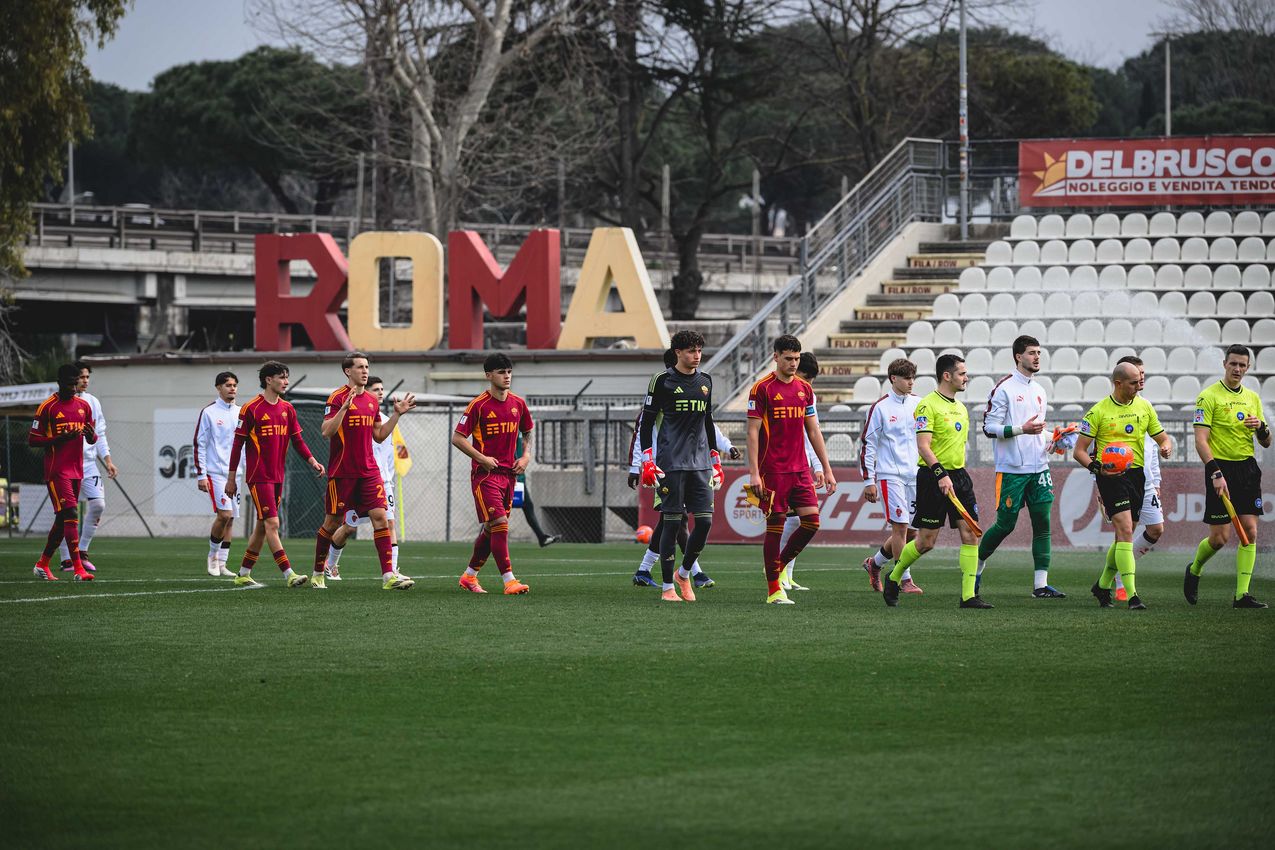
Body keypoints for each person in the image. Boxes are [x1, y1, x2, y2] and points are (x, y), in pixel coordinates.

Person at [884, 353, 990, 609]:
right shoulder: (927, 405)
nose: (967, 378)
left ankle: (968, 596)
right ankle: (894, 576)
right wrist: (941, 474)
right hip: (933, 477)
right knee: (926, 542)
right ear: (947, 376)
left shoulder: (962, 408)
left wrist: (954, 475)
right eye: (962, 373)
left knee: (971, 534)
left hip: (959, 477)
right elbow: (923, 446)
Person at [628, 347, 737, 589]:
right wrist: (638, 466)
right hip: (664, 467)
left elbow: (707, 424)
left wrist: (724, 450)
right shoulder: (660, 394)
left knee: (674, 521)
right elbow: (642, 433)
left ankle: (648, 570)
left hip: (695, 465)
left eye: (699, 352)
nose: (696, 358)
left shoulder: (701, 385)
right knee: (675, 521)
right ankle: (691, 573)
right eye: (691, 353)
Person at [1072, 362, 1172, 610]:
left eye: (1140, 381)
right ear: (1118, 383)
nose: (1139, 386)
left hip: (1138, 476)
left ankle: (1102, 584)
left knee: (1122, 538)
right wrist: (1098, 469)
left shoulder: (1144, 406)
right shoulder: (1098, 412)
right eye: (1133, 383)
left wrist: (1166, 446)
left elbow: (1162, 436)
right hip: (1111, 477)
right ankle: (1132, 595)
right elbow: (1079, 451)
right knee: (1126, 530)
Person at [313, 356, 416, 590]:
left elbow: (379, 435)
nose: (365, 371)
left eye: (367, 367)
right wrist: (343, 410)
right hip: (343, 471)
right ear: (347, 371)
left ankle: (388, 575)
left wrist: (397, 414)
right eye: (360, 367)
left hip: (369, 471)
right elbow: (326, 431)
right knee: (333, 523)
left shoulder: (371, 400)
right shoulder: (337, 398)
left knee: (381, 518)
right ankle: (319, 572)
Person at [974, 335, 1065, 598]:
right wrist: (1021, 429)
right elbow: (989, 428)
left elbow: (1037, 432)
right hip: (1012, 470)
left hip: (1039, 468)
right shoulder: (1003, 389)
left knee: (1043, 524)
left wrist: (1055, 440)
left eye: (1039, 353)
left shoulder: (1039, 390)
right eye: (1031, 353)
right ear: (1018, 356)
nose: (1037, 357)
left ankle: (1040, 585)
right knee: (1005, 525)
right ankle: (976, 567)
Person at [747, 336, 836, 605]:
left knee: (812, 522)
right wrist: (753, 474)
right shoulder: (761, 389)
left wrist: (826, 468)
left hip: (799, 470)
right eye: (788, 358)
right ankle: (774, 589)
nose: (793, 363)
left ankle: (778, 565)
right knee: (775, 527)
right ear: (776, 357)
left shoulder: (804, 390)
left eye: (797, 358)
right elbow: (752, 432)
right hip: (771, 471)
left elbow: (813, 429)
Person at [225, 361, 325, 589]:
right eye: (282, 377)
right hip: (259, 476)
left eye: (287, 377)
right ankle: (288, 573)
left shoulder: (287, 409)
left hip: (278, 476)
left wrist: (313, 461)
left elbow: (298, 441)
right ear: (268, 380)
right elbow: (237, 445)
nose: (286, 382)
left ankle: (243, 573)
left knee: (262, 526)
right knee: (272, 523)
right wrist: (232, 478)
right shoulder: (251, 408)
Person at [1184, 344, 1270, 608]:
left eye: (1242, 365)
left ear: (1248, 368)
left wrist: (1262, 427)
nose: (1237, 369)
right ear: (1224, 364)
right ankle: (1195, 568)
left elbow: (1266, 442)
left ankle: (1241, 595)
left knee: (1250, 532)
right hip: (1220, 469)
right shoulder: (1208, 396)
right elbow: (1200, 440)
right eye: (1233, 364)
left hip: (1247, 468)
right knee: (1220, 538)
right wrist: (1215, 472)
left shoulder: (1253, 398)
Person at [451, 353, 534, 595]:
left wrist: (526, 456)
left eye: (509, 371)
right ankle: (509, 580)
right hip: (485, 476)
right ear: (489, 375)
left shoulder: (518, 404)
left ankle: (469, 576)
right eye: (501, 372)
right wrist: (481, 458)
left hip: (509, 475)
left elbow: (528, 430)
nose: (506, 376)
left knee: (491, 529)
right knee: (500, 523)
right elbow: (457, 438)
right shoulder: (479, 405)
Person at [859, 357, 922, 595]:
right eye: (906, 378)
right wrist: (869, 480)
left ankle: (874, 564)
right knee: (901, 528)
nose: (911, 382)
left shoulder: (920, 403)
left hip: (916, 475)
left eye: (913, 378)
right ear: (893, 379)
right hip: (890, 475)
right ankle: (903, 578)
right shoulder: (880, 408)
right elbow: (869, 445)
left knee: (914, 532)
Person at [30, 364, 97, 581]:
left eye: (75, 383)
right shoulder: (47, 407)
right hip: (57, 470)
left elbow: (92, 438)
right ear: (59, 382)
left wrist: (90, 435)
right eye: (69, 384)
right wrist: (59, 439)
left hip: (77, 469)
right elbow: (33, 439)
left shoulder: (83, 406)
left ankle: (42, 564)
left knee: (62, 520)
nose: (74, 388)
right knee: (70, 514)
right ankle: (78, 569)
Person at [1110, 356, 1164, 602]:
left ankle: (1109, 577)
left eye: (1143, 373)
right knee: (1125, 531)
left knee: (1155, 529)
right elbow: (1102, 452)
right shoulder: (1109, 410)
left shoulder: (1146, 407)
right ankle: (1122, 583)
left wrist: (1157, 481)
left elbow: (1153, 448)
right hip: (1121, 479)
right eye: (1137, 374)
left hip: (1147, 480)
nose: (1141, 378)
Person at [57, 361, 117, 573]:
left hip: (89, 464)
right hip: (64, 464)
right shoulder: (59, 403)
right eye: (81, 377)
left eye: (86, 377)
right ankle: (65, 559)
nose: (84, 381)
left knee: (98, 505)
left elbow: (98, 434)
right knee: (66, 513)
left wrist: (108, 460)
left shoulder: (92, 402)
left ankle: (82, 552)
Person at [778, 351, 824, 592]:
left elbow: (811, 434)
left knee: (799, 521)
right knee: (789, 520)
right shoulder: (780, 390)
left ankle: (787, 573)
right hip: (782, 465)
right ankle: (778, 569)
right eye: (806, 377)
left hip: (802, 463)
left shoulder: (806, 394)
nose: (809, 384)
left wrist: (817, 466)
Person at [193, 371, 242, 577]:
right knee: (225, 515)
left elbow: (244, 445)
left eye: (234, 385)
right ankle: (212, 556)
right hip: (216, 473)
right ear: (218, 388)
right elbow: (200, 444)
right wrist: (201, 475)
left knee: (231, 520)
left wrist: (246, 470)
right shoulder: (209, 412)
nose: (232, 388)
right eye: (228, 385)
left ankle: (222, 563)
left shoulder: (241, 412)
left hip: (236, 473)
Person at [515, 430, 557, 548]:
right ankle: (485, 539)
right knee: (499, 512)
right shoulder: (508, 425)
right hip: (510, 475)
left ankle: (541, 537)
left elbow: (525, 442)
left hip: (518, 476)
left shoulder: (520, 427)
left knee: (527, 506)